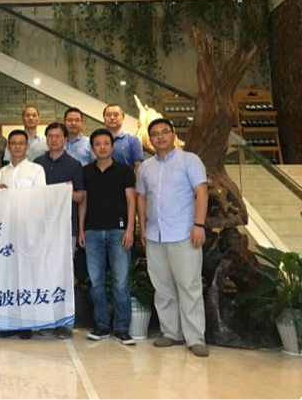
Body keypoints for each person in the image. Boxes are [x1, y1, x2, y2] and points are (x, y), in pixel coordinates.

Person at [136, 118, 209, 357]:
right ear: (150, 139)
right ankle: (171, 332)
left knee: (189, 286)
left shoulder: (190, 160)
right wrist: (142, 228)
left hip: (183, 233)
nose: (160, 137)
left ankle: (195, 338)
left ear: (173, 134)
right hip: (155, 235)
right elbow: (141, 198)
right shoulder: (146, 167)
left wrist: (199, 224)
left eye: (164, 132)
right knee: (163, 287)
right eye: (155, 134)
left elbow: (201, 192)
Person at [78, 128, 136, 345]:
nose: (102, 147)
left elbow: (131, 201)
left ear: (112, 146)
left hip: (118, 232)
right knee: (96, 282)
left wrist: (130, 229)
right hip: (92, 232)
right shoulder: (85, 171)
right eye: (97, 144)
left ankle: (122, 328)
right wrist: (81, 229)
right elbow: (83, 201)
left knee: (120, 282)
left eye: (106, 143)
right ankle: (101, 325)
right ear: (92, 148)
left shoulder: (124, 170)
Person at [34, 122, 84, 338]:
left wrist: (64, 192)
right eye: (50, 136)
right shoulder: (37, 164)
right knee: (42, 273)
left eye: (58, 136)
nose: (54, 140)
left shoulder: (74, 164)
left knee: (64, 274)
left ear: (65, 139)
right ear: (46, 139)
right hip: (41, 229)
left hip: (66, 228)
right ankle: (44, 319)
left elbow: (80, 196)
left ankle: (64, 322)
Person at [0, 129, 46, 341]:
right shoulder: (2, 172)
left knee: (27, 276)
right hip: (7, 229)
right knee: (9, 276)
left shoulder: (36, 170)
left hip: (28, 229)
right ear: (8, 147)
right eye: (13, 143)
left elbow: (40, 198)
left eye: (20, 143)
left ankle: (27, 322)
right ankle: (11, 322)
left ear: (27, 146)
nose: (17, 146)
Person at [102, 104, 144, 174]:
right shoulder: (97, 141)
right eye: (108, 115)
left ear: (123, 118)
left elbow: (138, 167)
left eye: (116, 115)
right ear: (104, 119)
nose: (112, 118)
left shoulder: (133, 140)